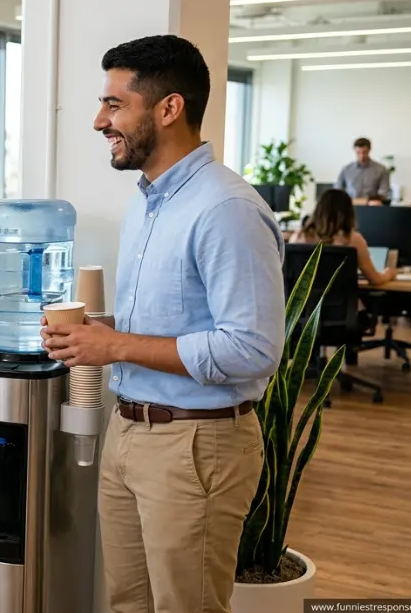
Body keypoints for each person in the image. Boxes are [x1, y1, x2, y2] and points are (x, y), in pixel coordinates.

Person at [41, 35, 282, 613]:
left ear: (169, 108)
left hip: (196, 442)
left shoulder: (226, 209)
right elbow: (170, 322)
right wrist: (95, 338)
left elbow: (251, 348)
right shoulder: (150, 201)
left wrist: (116, 343)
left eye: (115, 104)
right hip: (129, 431)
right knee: (128, 603)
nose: (100, 120)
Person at [290, 187, 397, 285]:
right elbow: (375, 280)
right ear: (349, 212)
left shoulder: (298, 237)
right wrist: (389, 273)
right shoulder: (353, 239)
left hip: (305, 305)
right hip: (341, 305)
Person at [335, 137, 391, 201]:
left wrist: (367, 201)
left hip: (372, 205)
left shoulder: (381, 169)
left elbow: (384, 192)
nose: (362, 156)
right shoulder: (346, 170)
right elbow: (337, 190)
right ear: (354, 151)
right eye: (358, 152)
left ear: (369, 150)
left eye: (364, 152)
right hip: (349, 205)